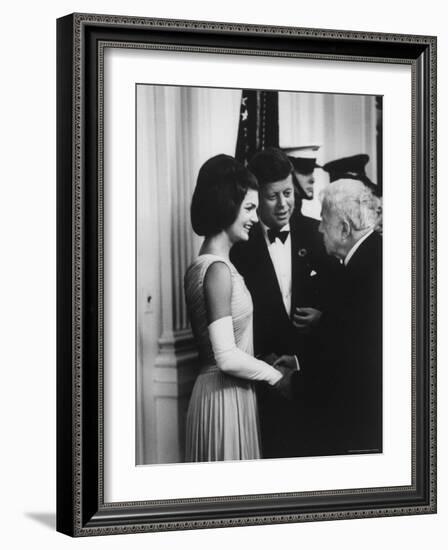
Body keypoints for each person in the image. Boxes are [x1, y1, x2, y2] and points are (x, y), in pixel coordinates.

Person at [230, 147, 339, 458]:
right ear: (255, 197)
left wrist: (323, 315)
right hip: (263, 379)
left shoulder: (316, 234)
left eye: (288, 193)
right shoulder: (240, 246)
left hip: (313, 377)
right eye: (272, 196)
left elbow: (341, 297)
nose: (283, 204)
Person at [184, 154, 293, 462]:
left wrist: (260, 360)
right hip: (223, 397)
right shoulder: (217, 269)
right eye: (249, 208)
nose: (255, 218)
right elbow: (225, 357)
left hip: (230, 393)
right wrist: (275, 376)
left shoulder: (210, 264)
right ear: (226, 206)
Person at [292, 178, 383, 455]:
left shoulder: (363, 272)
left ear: (343, 229)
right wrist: (298, 362)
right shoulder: (369, 259)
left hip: (360, 425)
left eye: (323, 220)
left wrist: (294, 381)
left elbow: (347, 360)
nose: (318, 228)